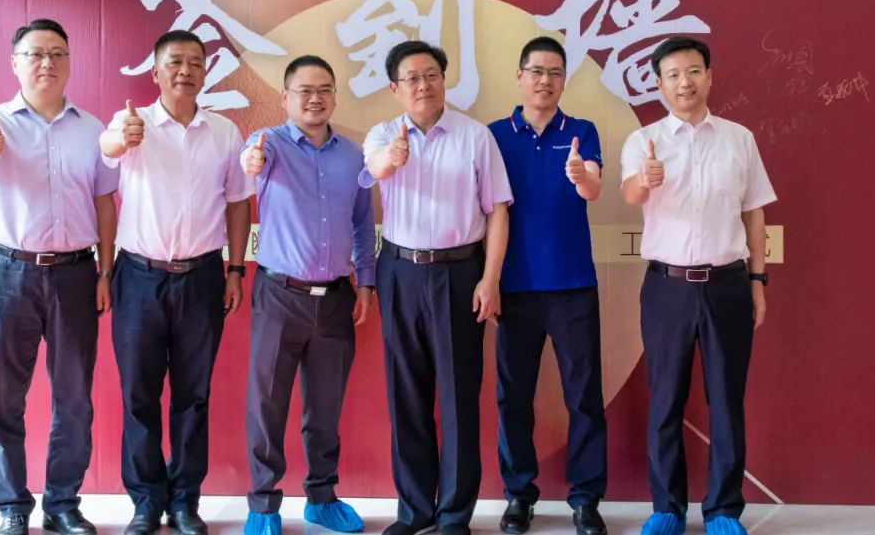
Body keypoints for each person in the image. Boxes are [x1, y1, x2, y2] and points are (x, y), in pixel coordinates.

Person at [0, 18, 118, 535]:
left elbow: (105, 202)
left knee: (74, 397)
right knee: (3, 395)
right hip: (8, 271)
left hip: (75, 273)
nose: (47, 62)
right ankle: (11, 505)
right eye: (35, 54)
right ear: (15, 63)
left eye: (57, 53)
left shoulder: (91, 129)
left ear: (69, 62)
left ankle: (62, 504)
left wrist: (106, 270)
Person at [99, 29, 254, 535]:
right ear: (156, 71)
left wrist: (236, 269)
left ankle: (185, 501)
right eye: (175, 62)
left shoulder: (224, 132)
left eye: (194, 62)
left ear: (205, 73)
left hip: (202, 278)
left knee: (194, 395)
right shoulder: (133, 124)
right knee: (138, 395)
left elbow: (238, 203)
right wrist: (121, 137)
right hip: (138, 278)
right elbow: (107, 149)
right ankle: (146, 501)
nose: (185, 70)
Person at [620, 37, 775, 535]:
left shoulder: (739, 139)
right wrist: (645, 179)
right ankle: (666, 507)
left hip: (728, 284)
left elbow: (754, 213)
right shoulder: (644, 140)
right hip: (667, 287)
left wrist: (757, 281)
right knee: (665, 398)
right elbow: (629, 194)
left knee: (726, 399)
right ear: (659, 84)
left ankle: (724, 509)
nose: (684, 82)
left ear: (709, 76)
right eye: (672, 74)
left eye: (692, 71)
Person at [363, 40, 513, 535]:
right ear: (395, 88)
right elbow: (376, 169)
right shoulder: (382, 134)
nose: (423, 85)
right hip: (400, 271)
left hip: (460, 272)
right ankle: (414, 512)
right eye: (411, 78)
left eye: (431, 75)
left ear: (444, 80)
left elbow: (497, 211)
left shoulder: (475, 136)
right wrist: (393, 157)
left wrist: (490, 278)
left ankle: (453, 516)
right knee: (406, 394)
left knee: (458, 396)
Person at [240, 55, 376, 535]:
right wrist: (251, 162)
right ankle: (263, 505)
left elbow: (362, 224)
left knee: (325, 406)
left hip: (336, 298)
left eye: (324, 89)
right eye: (304, 90)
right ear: (285, 98)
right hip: (280, 294)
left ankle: (321, 497)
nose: (315, 98)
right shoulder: (268, 144)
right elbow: (249, 164)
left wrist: (366, 283)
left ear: (335, 96)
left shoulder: (353, 156)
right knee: (267, 404)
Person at [488, 37, 608, 535]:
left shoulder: (581, 131)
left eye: (555, 72)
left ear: (564, 80)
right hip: (513, 287)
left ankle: (585, 500)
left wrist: (580, 176)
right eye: (536, 71)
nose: (545, 80)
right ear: (519, 77)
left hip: (572, 285)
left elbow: (593, 187)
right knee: (513, 397)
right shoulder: (494, 135)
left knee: (583, 396)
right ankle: (519, 495)